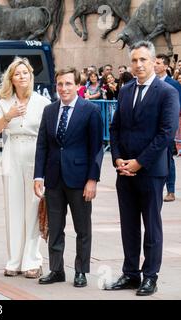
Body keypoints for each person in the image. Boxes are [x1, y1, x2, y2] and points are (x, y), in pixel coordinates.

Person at [107, 41, 179, 296]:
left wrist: (139, 162)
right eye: (134, 60)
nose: (138, 65)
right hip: (124, 171)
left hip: (150, 171)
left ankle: (150, 276)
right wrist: (117, 159)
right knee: (128, 226)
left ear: (153, 62)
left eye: (143, 60)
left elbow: (166, 133)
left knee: (152, 226)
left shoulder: (166, 92)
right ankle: (130, 274)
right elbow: (115, 128)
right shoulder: (125, 90)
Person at [33, 67, 104, 288]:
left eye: (68, 84)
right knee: (55, 227)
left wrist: (92, 179)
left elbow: (97, 148)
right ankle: (56, 270)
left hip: (80, 179)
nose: (64, 88)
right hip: (54, 179)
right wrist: (38, 176)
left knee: (82, 229)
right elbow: (42, 145)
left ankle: (81, 271)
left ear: (77, 86)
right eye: (60, 84)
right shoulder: (50, 111)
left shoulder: (90, 110)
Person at [0, 57, 50, 278]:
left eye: (25, 73)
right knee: (13, 208)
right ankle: (14, 260)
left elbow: (48, 135)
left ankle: (32, 261)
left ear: (31, 76)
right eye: (17, 74)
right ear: (11, 79)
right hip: (12, 154)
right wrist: (8, 115)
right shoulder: (4, 102)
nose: (22, 76)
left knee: (34, 208)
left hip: (36, 153)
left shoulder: (42, 102)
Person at [154, 53, 181, 202]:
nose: (155, 65)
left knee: (167, 159)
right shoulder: (150, 82)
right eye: (154, 62)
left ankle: (170, 190)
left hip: (166, 129)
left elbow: (178, 106)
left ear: (165, 66)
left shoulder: (174, 84)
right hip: (151, 128)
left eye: (158, 63)